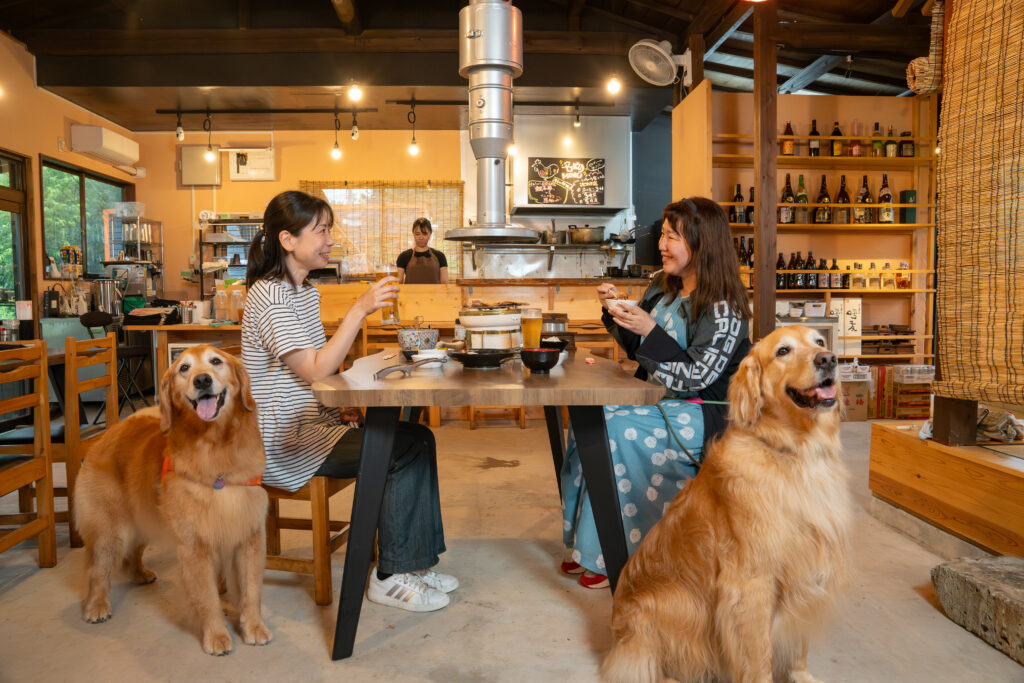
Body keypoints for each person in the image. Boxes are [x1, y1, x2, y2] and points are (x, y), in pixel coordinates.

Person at [241, 190, 456, 612]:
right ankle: (390, 578)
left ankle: (410, 564)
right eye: (321, 231)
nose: (329, 240)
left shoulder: (304, 293)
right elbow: (317, 371)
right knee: (403, 447)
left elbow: (323, 369)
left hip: (313, 425)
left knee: (418, 437)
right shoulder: (269, 296)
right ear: (288, 240)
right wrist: (358, 310)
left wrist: (343, 403)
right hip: (283, 440)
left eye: (329, 230)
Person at [560, 197, 752, 589]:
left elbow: (697, 377)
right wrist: (618, 314)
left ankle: (615, 555)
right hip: (657, 401)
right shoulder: (662, 288)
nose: (661, 245)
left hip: (703, 413)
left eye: (672, 237)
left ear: (703, 243)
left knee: (611, 427)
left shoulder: (725, 307)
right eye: (662, 235)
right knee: (588, 416)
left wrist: (650, 330)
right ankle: (589, 546)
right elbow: (639, 351)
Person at [396, 217, 449, 284]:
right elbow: (398, 283)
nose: (421, 237)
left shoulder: (440, 256)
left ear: (430, 234)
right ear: (413, 234)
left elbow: (444, 283)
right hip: (410, 294)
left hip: (435, 294)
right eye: (417, 234)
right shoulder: (403, 256)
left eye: (425, 234)